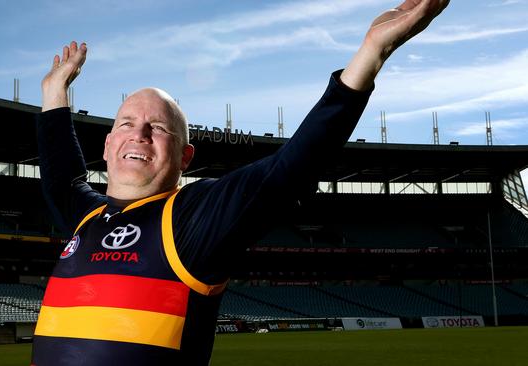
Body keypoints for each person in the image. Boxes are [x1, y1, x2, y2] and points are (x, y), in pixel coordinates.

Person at [32, 1, 449, 365]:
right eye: (126, 123)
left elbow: (291, 167)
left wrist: (371, 53)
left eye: (157, 127)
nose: (138, 134)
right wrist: (55, 94)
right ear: (107, 145)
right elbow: (59, 176)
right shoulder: (86, 218)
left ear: (184, 157)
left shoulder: (192, 220)